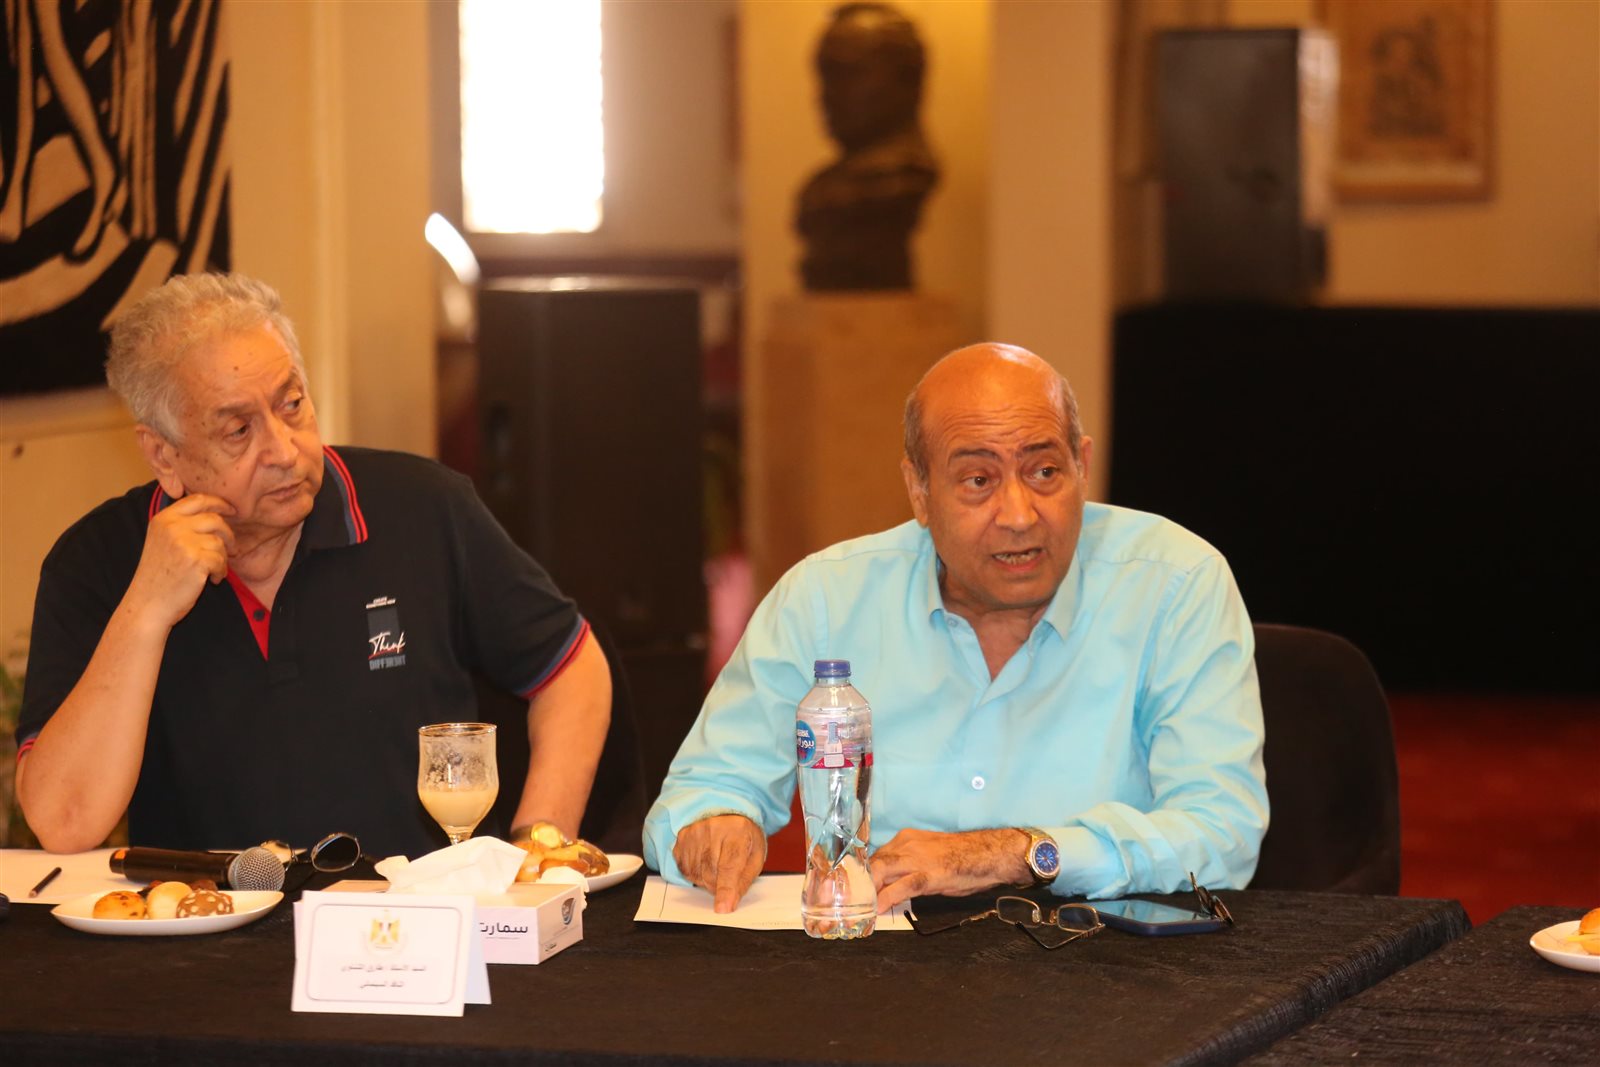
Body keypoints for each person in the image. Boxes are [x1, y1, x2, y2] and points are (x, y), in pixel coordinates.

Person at [643, 343, 1266, 913]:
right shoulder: (826, 599)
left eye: (1045, 472)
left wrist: (1014, 854)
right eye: (978, 481)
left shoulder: (1176, 585)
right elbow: (701, 793)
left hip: (1101, 963)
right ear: (919, 490)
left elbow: (1223, 832)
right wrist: (715, 825)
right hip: (881, 966)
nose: (1019, 515)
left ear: (1082, 466)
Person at [14, 273, 611, 858]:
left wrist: (537, 849)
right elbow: (65, 824)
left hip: (420, 912)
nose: (284, 450)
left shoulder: (425, 508)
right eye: (239, 430)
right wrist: (146, 609)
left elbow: (570, 669)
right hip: (204, 915)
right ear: (163, 455)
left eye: (292, 405)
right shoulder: (95, 562)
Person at [795, 2, 939, 291]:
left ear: (906, 80)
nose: (826, 95)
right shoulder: (822, 190)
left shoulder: (900, 179)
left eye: (848, 73)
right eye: (826, 76)